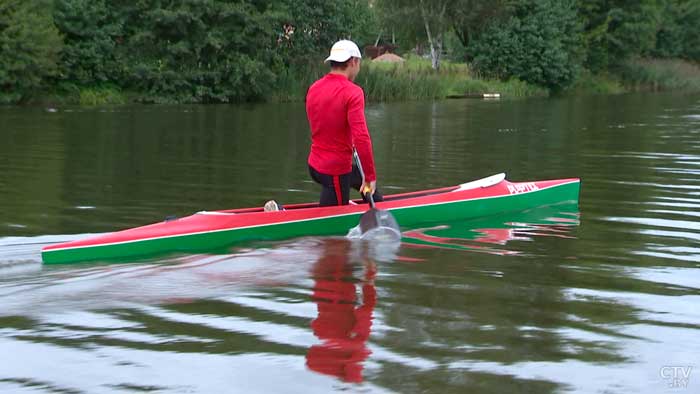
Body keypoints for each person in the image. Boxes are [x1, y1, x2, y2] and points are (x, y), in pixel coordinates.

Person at [306, 39, 383, 207]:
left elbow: (321, 125)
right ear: (353, 62)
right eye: (359, 63)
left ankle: (379, 206)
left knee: (357, 176)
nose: (359, 68)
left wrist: (366, 178)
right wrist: (370, 176)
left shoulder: (314, 88)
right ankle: (281, 214)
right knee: (333, 224)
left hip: (314, 164)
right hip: (334, 171)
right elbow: (362, 137)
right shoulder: (353, 92)